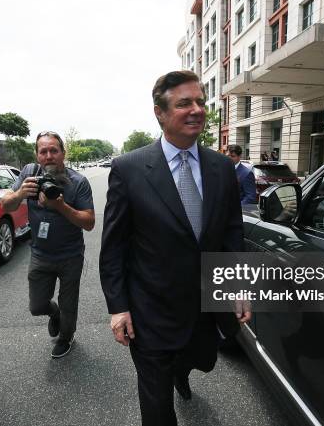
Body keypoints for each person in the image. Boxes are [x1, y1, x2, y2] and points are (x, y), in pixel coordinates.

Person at [99, 70, 251, 426]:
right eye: (184, 103)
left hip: (204, 307)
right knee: (156, 403)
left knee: (198, 359)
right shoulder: (129, 169)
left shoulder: (221, 167)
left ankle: (182, 370)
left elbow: (231, 232)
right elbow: (114, 246)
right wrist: (119, 307)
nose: (197, 109)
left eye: (200, 101)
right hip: (150, 310)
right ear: (160, 112)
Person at [1, 131, 94, 358]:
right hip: (40, 254)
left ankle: (66, 336)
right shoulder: (29, 174)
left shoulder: (78, 182)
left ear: (63, 153)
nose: (49, 155)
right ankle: (54, 314)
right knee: (37, 305)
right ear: (37, 155)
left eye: (54, 150)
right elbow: (6, 205)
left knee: (69, 303)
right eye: (43, 151)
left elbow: (89, 222)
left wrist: (60, 206)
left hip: (71, 255)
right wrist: (20, 193)